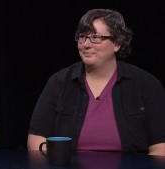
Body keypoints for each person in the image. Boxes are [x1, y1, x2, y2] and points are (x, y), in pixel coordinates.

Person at [27, 8, 165, 155]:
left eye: (96, 37)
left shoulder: (146, 84)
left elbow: (160, 145)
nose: (86, 44)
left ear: (117, 43)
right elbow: (37, 139)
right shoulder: (59, 82)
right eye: (82, 37)